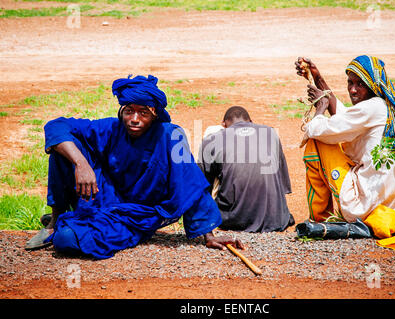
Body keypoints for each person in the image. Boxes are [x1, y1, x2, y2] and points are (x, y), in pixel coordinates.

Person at [24, 74, 244, 259]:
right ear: (122, 111)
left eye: (144, 113)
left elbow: (189, 180)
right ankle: (54, 220)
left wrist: (209, 235)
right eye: (129, 111)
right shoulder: (111, 128)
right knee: (62, 148)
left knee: (66, 240)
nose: (135, 119)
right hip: (105, 195)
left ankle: (69, 225)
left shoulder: (169, 135)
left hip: (140, 212)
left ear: (155, 114)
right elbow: (56, 125)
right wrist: (81, 163)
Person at [294, 55, 395, 223]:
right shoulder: (386, 106)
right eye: (350, 83)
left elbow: (321, 130)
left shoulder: (371, 108)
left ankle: (320, 219)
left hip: (367, 207)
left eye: (360, 84)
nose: (353, 89)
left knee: (315, 142)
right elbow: (345, 117)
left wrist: (320, 108)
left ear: (373, 86)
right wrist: (317, 77)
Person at [197, 106, 294, 232]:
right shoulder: (271, 133)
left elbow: (203, 186)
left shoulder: (212, 139)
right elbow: (281, 184)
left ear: (223, 124)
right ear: (251, 122)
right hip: (276, 219)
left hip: (234, 220)